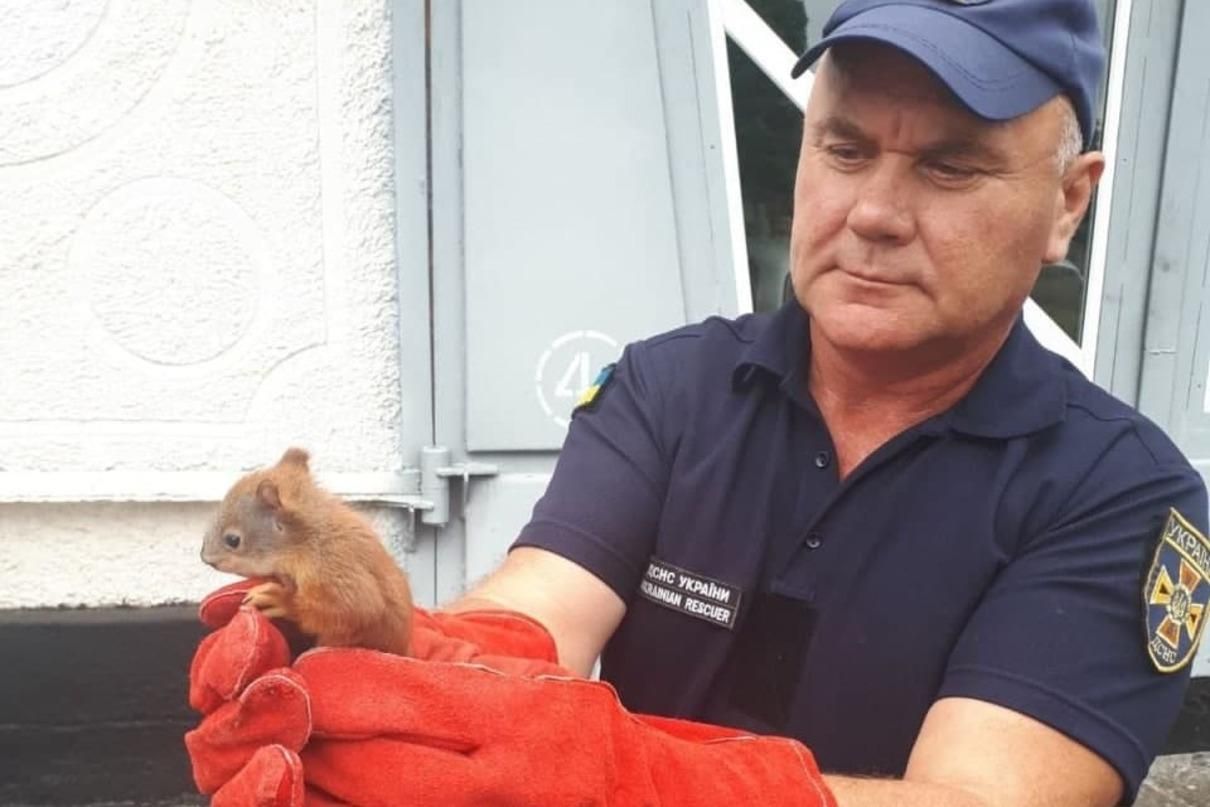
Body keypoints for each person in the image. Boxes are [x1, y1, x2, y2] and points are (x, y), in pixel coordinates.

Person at [185, 0, 1210, 804]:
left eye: (950, 166)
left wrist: (619, 780)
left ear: (1067, 201)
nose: (873, 213)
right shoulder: (670, 387)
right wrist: (394, 667)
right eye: (844, 149)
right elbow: (539, 608)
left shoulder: (1119, 496)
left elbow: (986, 797)